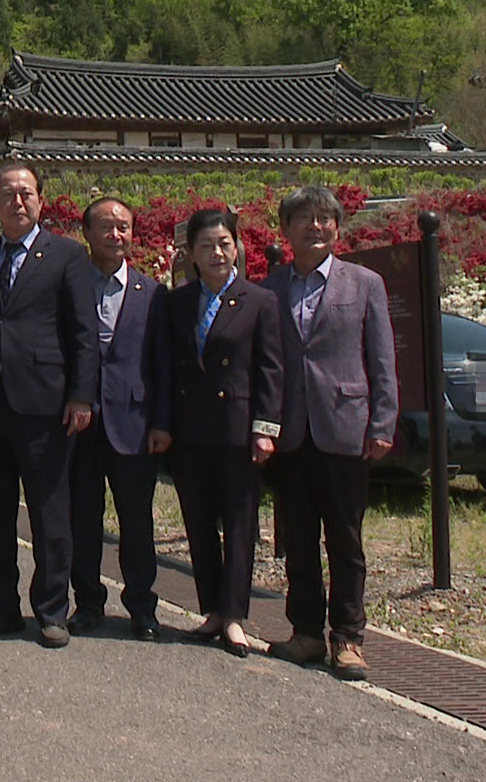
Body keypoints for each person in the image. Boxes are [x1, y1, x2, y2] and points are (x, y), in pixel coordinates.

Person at [0, 159, 99, 649]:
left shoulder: (68, 256)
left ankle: (52, 610)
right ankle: (1, 608)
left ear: (41, 200)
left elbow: (83, 333)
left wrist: (81, 395)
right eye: (7, 194)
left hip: (46, 405)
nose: (17, 202)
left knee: (49, 514)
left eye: (26, 193)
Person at [263, 185, 398, 681]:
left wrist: (383, 423)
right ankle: (304, 633)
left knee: (345, 541)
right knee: (297, 539)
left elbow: (382, 361)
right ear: (287, 229)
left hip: (345, 427)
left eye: (324, 219)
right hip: (290, 433)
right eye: (304, 218)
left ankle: (348, 638)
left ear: (337, 228)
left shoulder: (364, 283)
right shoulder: (271, 288)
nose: (315, 227)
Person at [162, 208, 283, 659]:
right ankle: (210, 608)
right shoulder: (176, 301)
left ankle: (234, 616)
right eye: (207, 245)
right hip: (190, 430)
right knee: (197, 522)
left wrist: (265, 429)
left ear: (237, 247)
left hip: (238, 429)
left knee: (238, 524)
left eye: (225, 243)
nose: (217, 252)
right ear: (190, 253)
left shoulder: (259, 300)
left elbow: (272, 369)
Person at [67, 197, 170, 641]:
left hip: (135, 423)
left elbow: (164, 363)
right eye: (106, 227)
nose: (115, 235)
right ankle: (88, 602)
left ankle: (142, 606)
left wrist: (162, 422)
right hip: (81, 423)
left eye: (123, 227)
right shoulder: (68, 288)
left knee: (137, 520)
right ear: (86, 233)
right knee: (82, 518)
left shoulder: (152, 294)